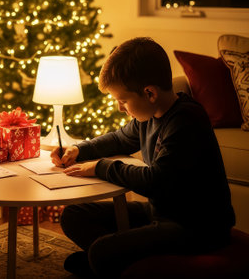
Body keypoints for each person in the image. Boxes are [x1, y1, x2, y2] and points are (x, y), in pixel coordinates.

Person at [51, 37, 235, 278]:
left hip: (196, 227)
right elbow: (119, 139)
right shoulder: (148, 117)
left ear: (149, 93)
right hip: (160, 213)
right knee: (73, 215)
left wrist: (101, 167)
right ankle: (119, 260)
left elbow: (155, 181)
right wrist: (79, 150)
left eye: (123, 100)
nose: (120, 108)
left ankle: (111, 259)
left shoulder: (186, 121)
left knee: (100, 251)